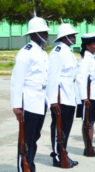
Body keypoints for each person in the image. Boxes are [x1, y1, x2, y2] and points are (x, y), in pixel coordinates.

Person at [11, 16, 50, 172]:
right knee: (26, 140)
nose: (46, 35)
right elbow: (17, 80)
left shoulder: (41, 52)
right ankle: (24, 168)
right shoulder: (25, 52)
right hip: (29, 102)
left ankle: (29, 166)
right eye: (43, 32)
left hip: (40, 102)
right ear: (34, 34)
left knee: (34, 138)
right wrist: (16, 106)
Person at [47, 23, 79, 167]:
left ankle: (63, 152)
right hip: (60, 97)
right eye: (72, 35)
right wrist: (53, 101)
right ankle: (57, 156)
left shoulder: (68, 51)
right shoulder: (57, 52)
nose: (74, 37)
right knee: (58, 128)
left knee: (66, 128)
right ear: (65, 37)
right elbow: (52, 77)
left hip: (70, 96)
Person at [76, 33, 95, 156]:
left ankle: (90, 146)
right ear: (87, 46)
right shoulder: (85, 60)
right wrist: (84, 98)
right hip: (88, 96)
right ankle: (87, 147)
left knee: (91, 122)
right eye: (94, 44)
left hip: (94, 95)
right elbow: (81, 79)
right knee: (87, 122)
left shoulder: (92, 58)